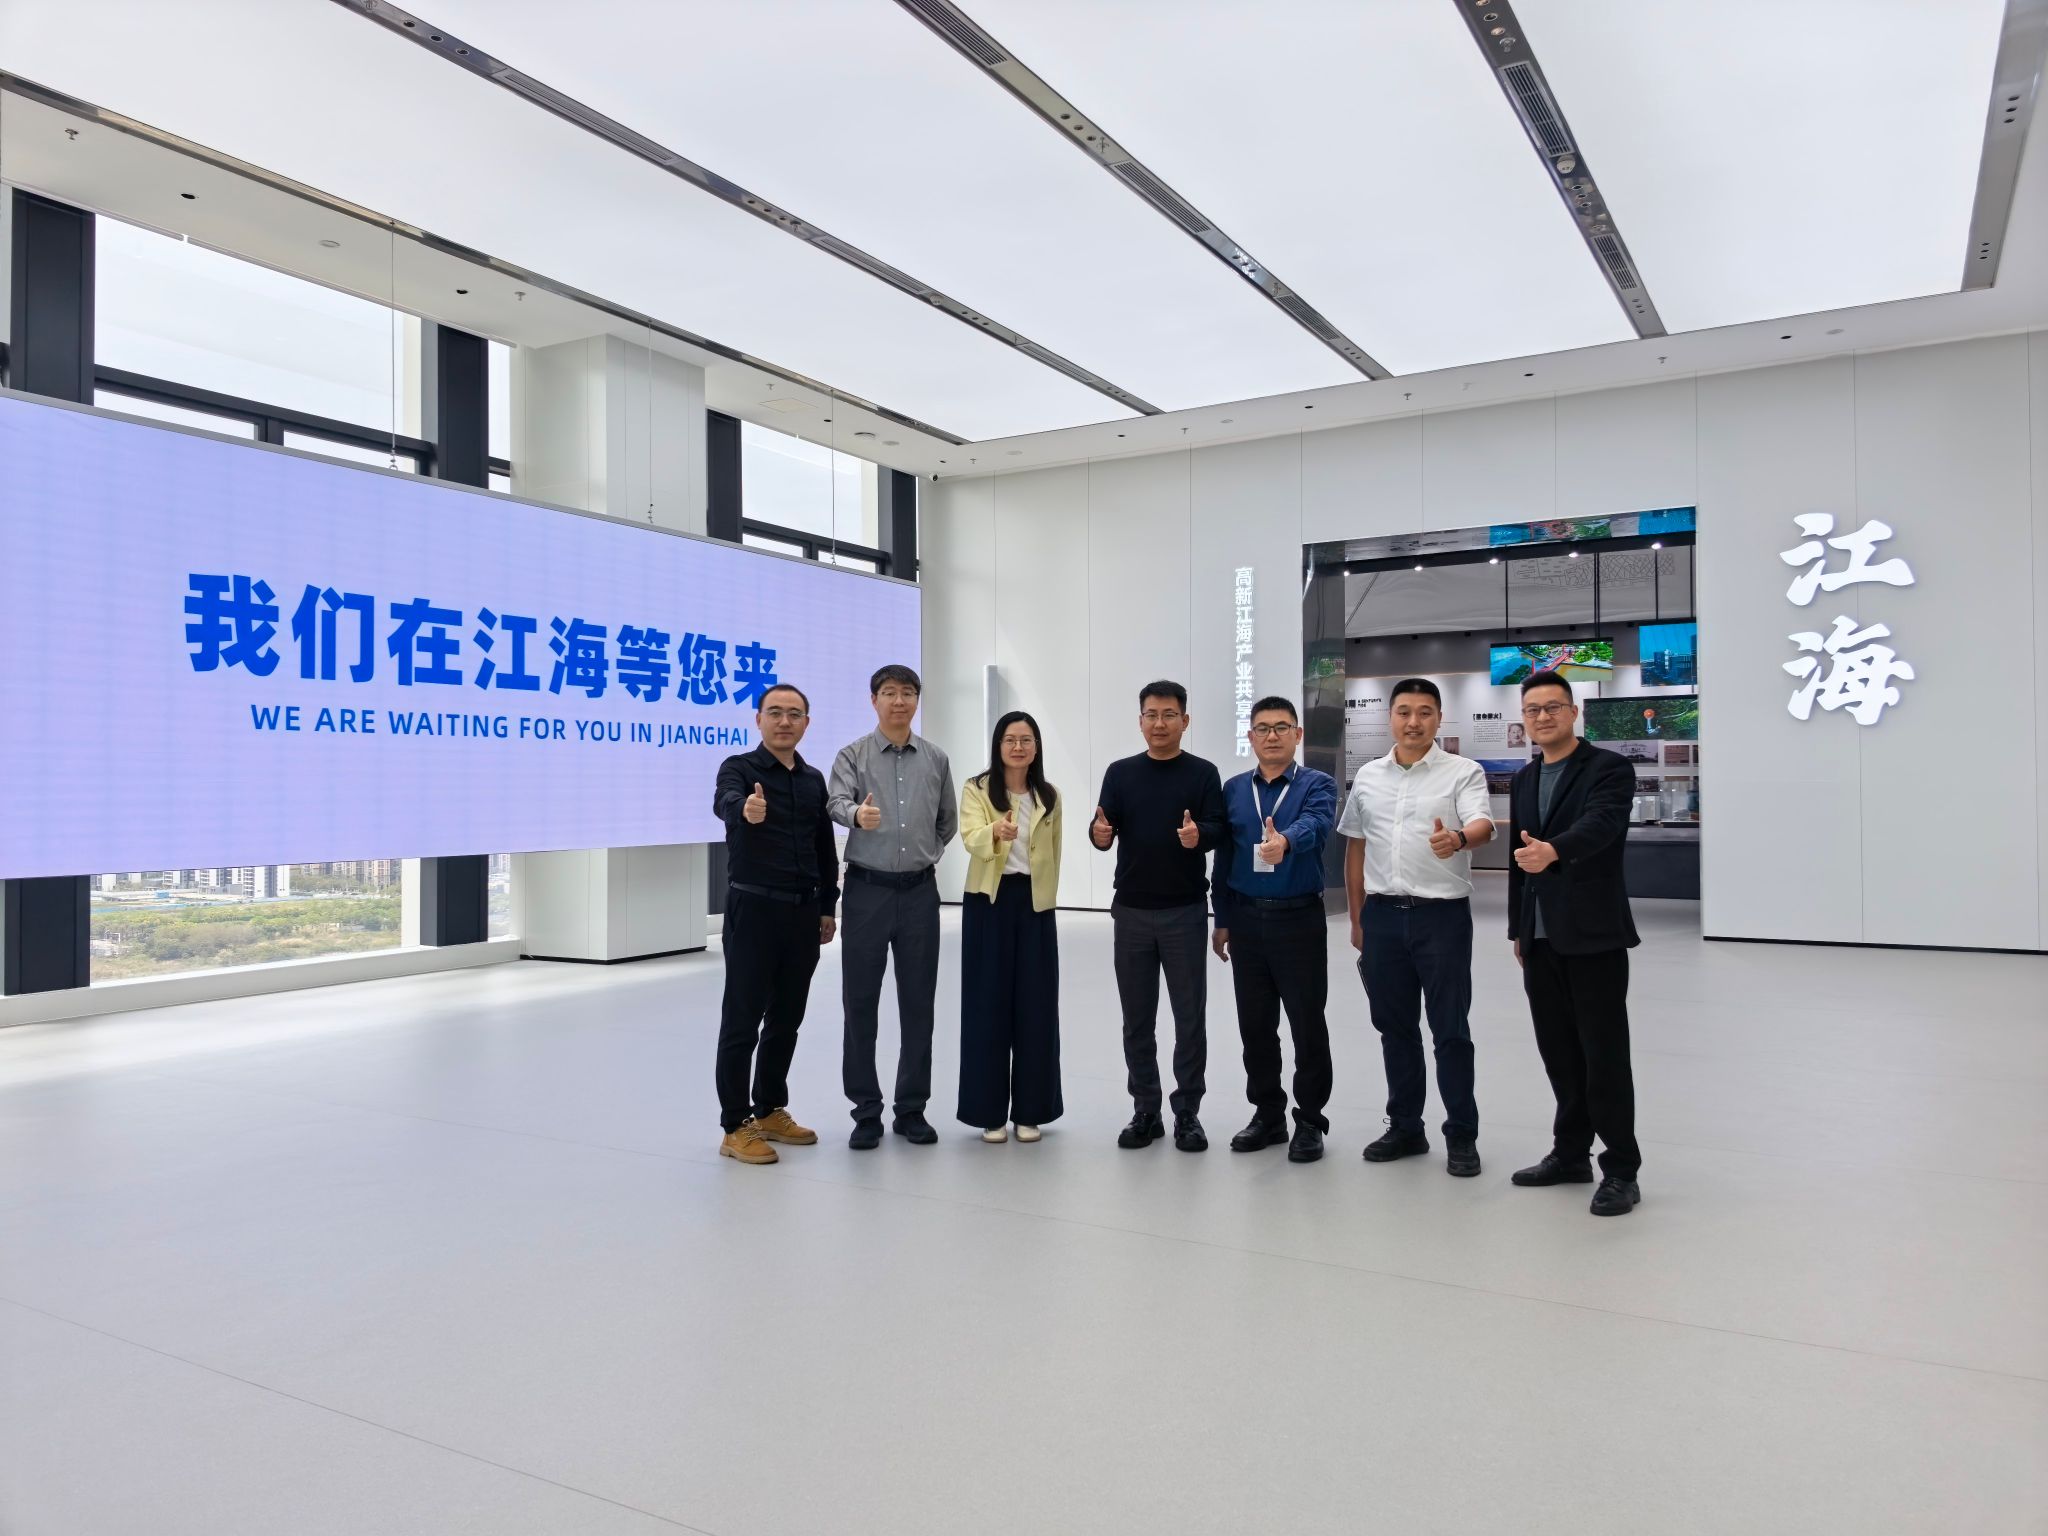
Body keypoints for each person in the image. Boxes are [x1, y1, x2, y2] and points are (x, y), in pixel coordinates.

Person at [1339, 678, 1494, 1177]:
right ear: (1390, 717)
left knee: (1451, 1031)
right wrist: (1358, 917)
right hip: (1383, 917)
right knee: (1395, 1028)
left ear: (1439, 718)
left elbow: (1483, 825)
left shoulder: (1463, 772)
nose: (1413, 722)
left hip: (1441, 918)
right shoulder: (1368, 777)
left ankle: (1462, 1134)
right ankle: (1406, 1126)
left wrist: (1458, 839)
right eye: (1403, 711)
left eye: (1424, 712)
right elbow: (1356, 846)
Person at [1506, 670, 1644, 1217]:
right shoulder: (1525, 778)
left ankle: (1622, 1168)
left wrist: (1555, 850)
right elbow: (1520, 860)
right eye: (1532, 710)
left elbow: (1603, 826)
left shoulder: (1608, 768)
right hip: (1540, 937)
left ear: (1573, 712)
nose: (1542, 717)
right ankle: (1569, 1154)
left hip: (1593, 935)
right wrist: (1519, 929)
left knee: (1603, 1054)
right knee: (1559, 1052)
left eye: (1552, 707)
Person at [1091, 680, 1226, 1152]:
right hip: (1131, 911)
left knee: (1189, 1018)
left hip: (1184, 912)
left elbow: (1218, 828)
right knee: (1137, 1019)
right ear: (1140, 721)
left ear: (1185, 721)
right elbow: (1103, 828)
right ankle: (1145, 1109)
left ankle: (1187, 1111)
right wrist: (1099, 834)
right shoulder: (1120, 772)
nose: (1160, 723)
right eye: (1151, 714)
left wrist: (1199, 835)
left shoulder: (1203, 773)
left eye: (1169, 715)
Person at [828, 663, 957, 1151]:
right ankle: (865, 1111)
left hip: (920, 893)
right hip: (867, 892)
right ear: (874, 700)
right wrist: (856, 815)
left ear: (917, 700)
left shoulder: (936, 759)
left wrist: (924, 854)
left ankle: (911, 1109)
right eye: (889, 692)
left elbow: (946, 821)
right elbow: (834, 802)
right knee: (860, 1003)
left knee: (918, 1004)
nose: (899, 701)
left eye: (907, 693)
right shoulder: (853, 755)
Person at [710, 683, 838, 1166]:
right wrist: (743, 809)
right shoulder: (739, 769)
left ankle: (768, 1110)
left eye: (795, 714)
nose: (785, 721)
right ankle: (734, 1125)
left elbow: (824, 848)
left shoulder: (812, 780)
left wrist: (827, 907)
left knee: (786, 1019)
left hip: (803, 914)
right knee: (742, 1021)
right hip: (754, 910)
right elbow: (724, 800)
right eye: (776, 712)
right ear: (758, 719)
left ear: (807, 722)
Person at [1210, 697, 1339, 1162]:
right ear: (1250, 737)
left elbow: (1317, 824)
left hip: (1298, 919)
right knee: (1255, 1024)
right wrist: (1222, 917)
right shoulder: (1233, 790)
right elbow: (1224, 858)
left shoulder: (1317, 784)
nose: (1271, 735)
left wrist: (1286, 840)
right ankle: (1268, 1115)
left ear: (1297, 735)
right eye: (1262, 728)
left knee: (1307, 1022)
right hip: (1246, 919)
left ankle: (1310, 1120)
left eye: (1281, 727)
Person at [956, 710, 1064, 1142]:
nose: (1018, 747)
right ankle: (989, 1113)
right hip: (988, 902)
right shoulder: (977, 788)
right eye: (1010, 739)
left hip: (1035, 905)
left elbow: (1055, 850)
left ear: (1036, 747)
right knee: (986, 1005)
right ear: (998, 745)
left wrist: (1049, 896)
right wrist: (995, 831)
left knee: (1038, 1007)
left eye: (1026, 740)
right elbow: (970, 836)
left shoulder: (1049, 795)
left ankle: (1031, 1111)